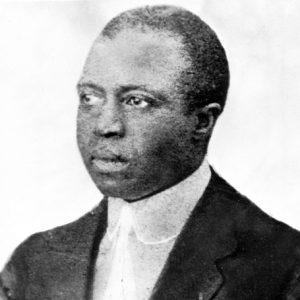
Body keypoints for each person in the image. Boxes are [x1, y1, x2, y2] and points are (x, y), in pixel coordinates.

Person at [1, 5, 300, 300]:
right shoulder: (33, 264)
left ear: (201, 121)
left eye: (136, 101)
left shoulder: (286, 265)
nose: (106, 126)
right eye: (90, 97)